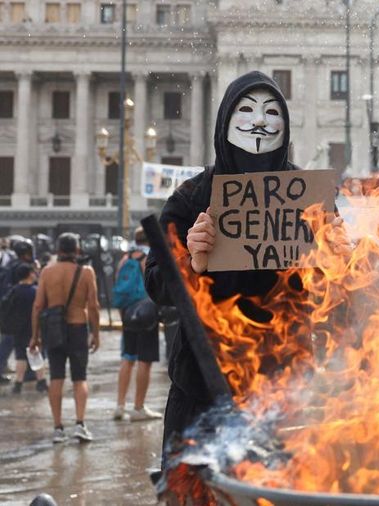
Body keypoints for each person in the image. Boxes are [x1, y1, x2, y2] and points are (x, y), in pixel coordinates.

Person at [144, 71, 297, 461]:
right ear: (225, 121)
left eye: (271, 111)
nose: (260, 121)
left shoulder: (307, 196)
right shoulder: (192, 195)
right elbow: (157, 284)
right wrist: (191, 261)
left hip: (282, 390)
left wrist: (338, 257)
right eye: (246, 110)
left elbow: (336, 294)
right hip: (201, 388)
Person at [30, 233, 101, 444]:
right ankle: (80, 424)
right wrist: (95, 333)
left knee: (56, 378)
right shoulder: (87, 272)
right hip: (78, 327)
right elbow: (94, 306)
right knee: (80, 378)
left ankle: (58, 428)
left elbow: (37, 306)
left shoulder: (47, 272)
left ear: (58, 250)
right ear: (77, 250)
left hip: (53, 330)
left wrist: (35, 336)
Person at [113, 227, 163, 422]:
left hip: (127, 313)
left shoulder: (125, 259)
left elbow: (118, 288)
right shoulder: (148, 258)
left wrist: (123, 313)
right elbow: (155, 287)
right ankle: (138, 407)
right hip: (146, 314)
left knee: (127, 358)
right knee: (145, 360)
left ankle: (119, 405)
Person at [2, 263, 46, 393]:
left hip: (18, 329)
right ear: (30, 274)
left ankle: (18, 383)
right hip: (34, 328)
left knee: (20, 356)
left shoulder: (13, 291)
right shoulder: (36, 291)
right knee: (37, 354)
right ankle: (41, 381)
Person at [0, 237, 39, 383]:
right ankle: (28, 372)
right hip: (20, 312)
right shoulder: (22, 267)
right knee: (12, 342)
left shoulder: (10, 264)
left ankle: (28, 371)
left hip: (12, 311)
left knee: (14, 342)